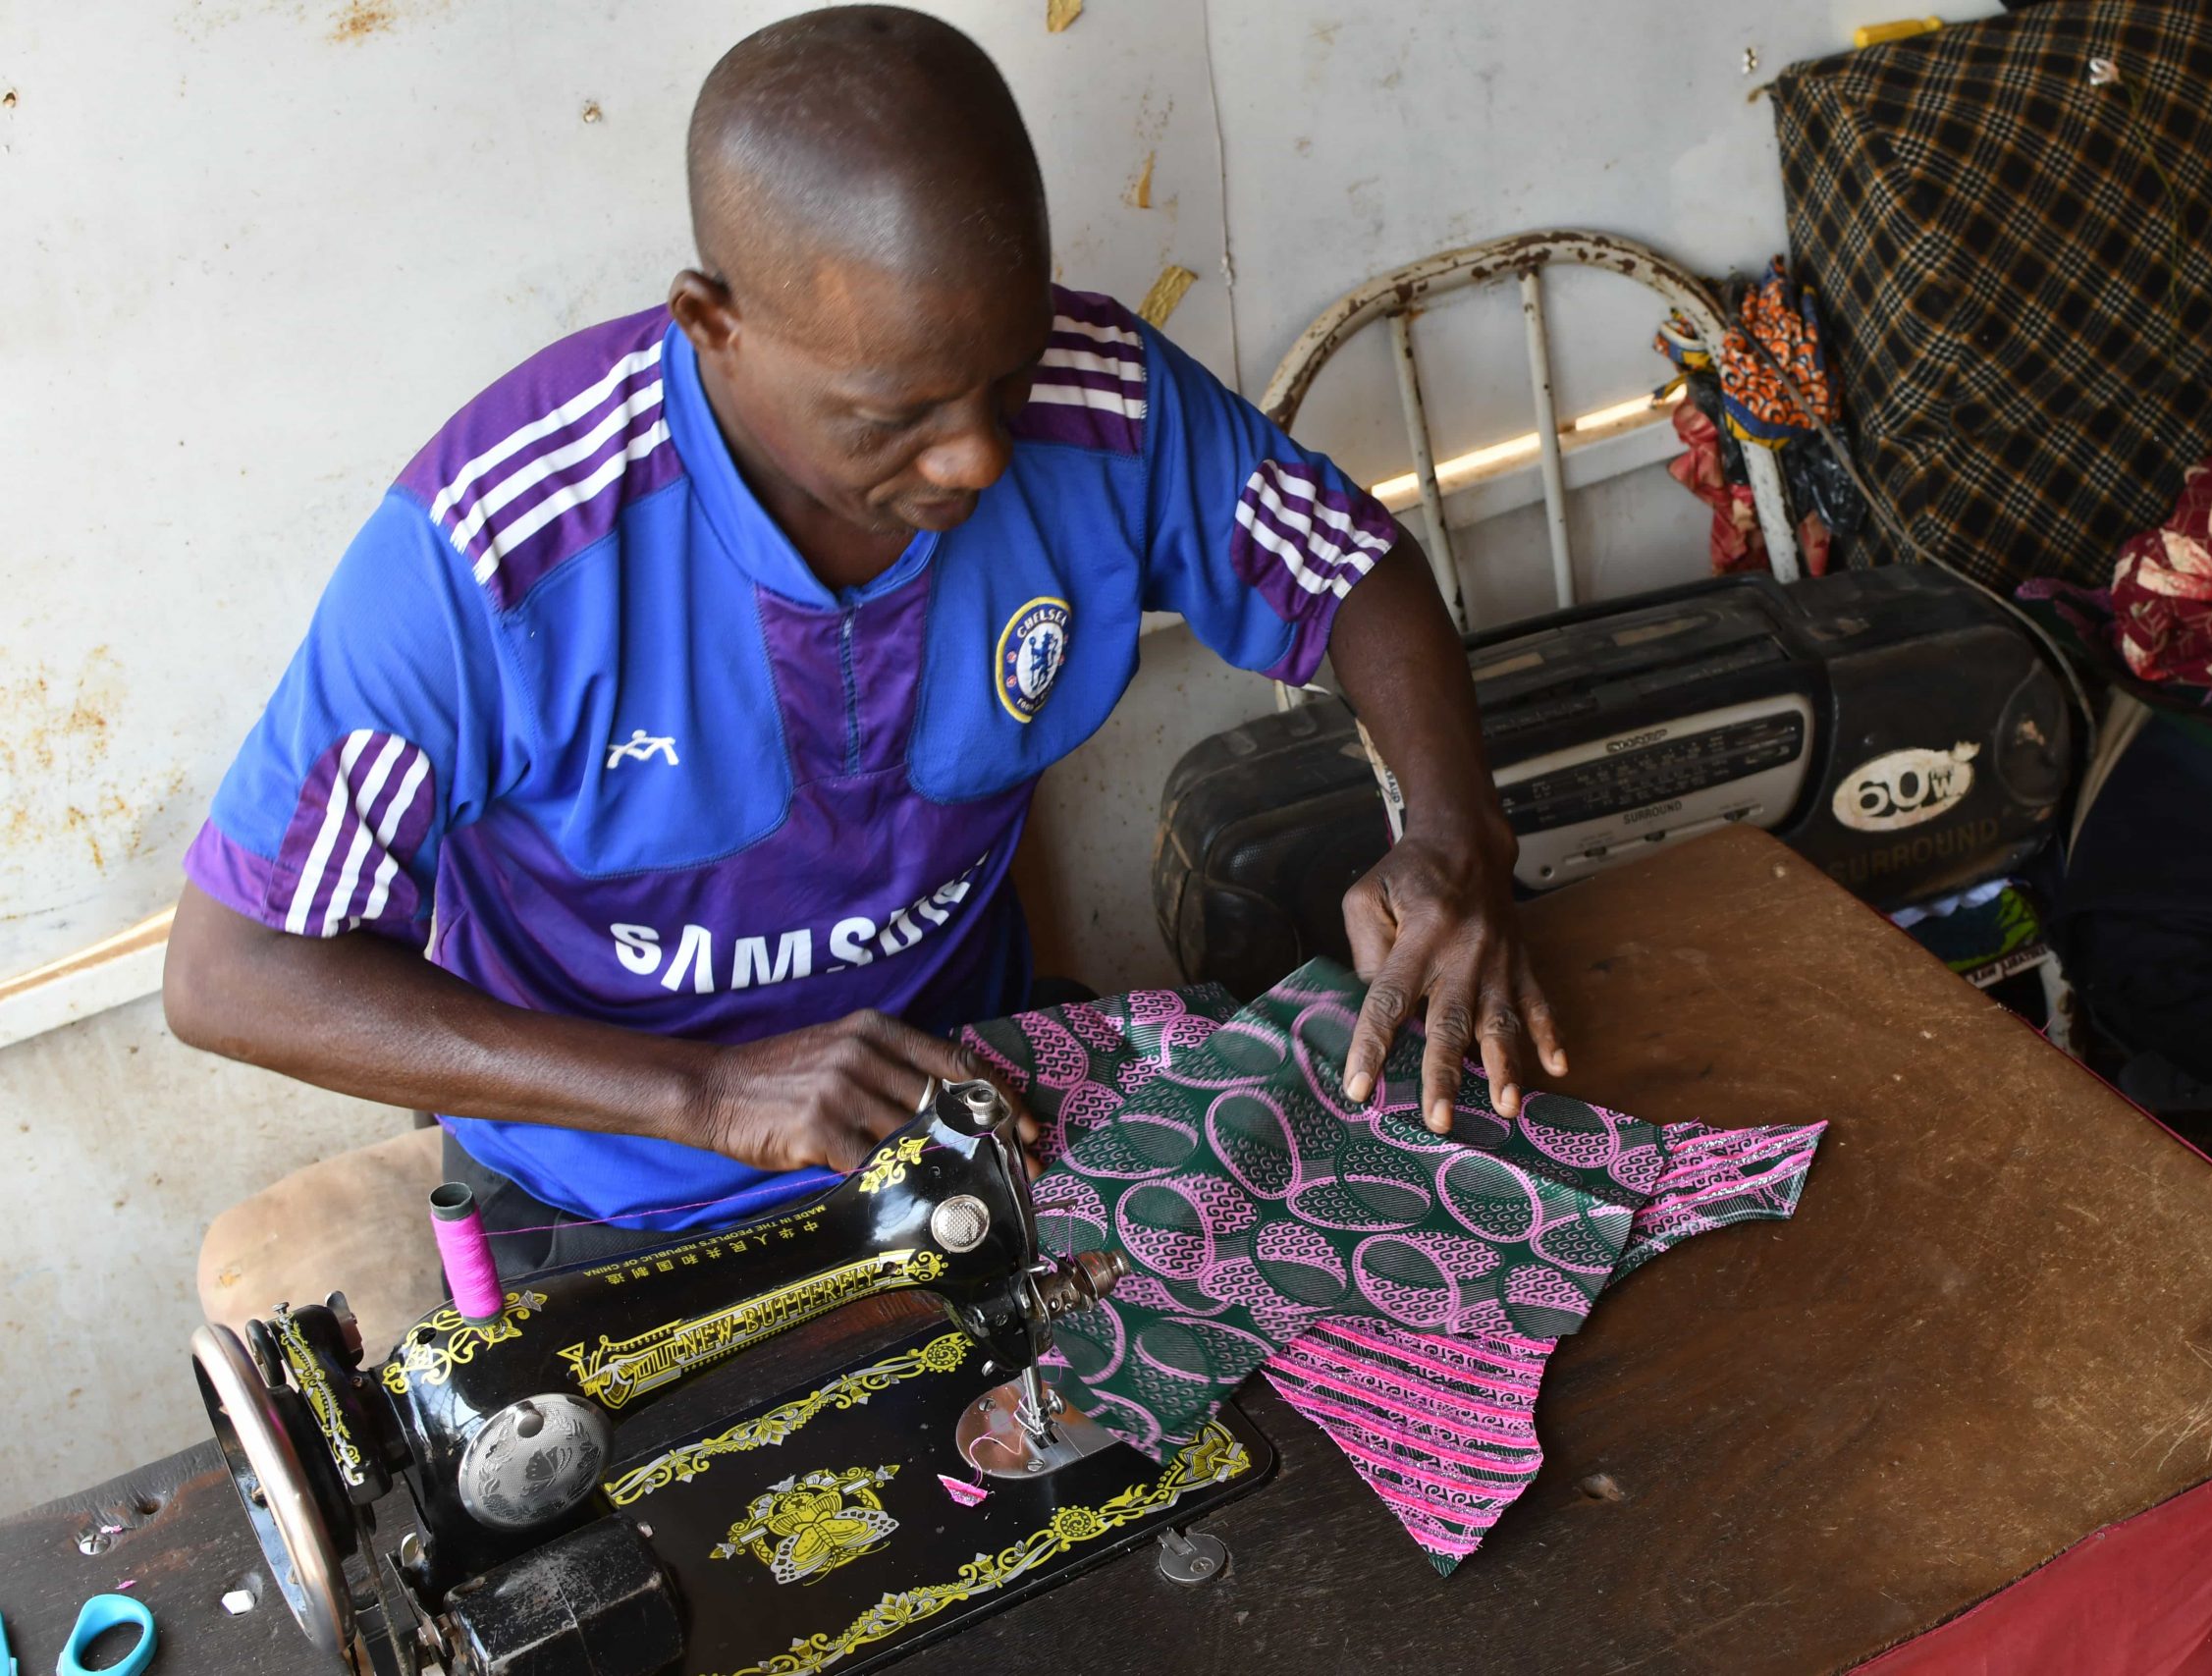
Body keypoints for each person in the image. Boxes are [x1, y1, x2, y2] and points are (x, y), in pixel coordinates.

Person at [163, 5, 1564, 1271]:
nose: (976, 462)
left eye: (1004, 379)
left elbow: (1353, 571)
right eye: (893, 415)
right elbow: (234, 974)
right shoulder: (506, 547)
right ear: (713, 323)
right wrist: (707, 1094)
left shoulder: (1098, 396)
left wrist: (1451, 828)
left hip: (989, 1106)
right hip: (618, 1198)